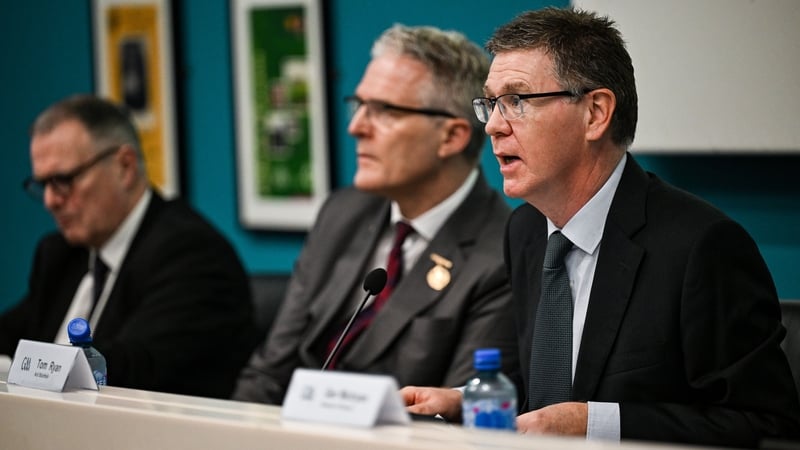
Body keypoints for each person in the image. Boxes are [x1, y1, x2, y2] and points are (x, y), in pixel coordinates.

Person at [401, 7, 800, 447]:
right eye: (491, 103)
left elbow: (766, 426)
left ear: (595, 113)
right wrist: (465, 399)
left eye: (517, 100)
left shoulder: (701, 247)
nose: (494, 126)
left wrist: (593, 424)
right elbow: (543, 383)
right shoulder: (526, 231)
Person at [233, 24, 517, 404]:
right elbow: (270, 370)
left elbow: (454, 417)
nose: (356, 127)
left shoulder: (503, 252)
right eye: (359, 105)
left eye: (384, 111)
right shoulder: (343, 212)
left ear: (452, 137)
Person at [0, 94, 258, 399]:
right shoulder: (61, 253)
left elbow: (128, 368)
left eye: (63, 180)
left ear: (125, 166)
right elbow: (10, 335)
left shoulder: (191, 254)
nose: (50, 201)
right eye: (43, 185)